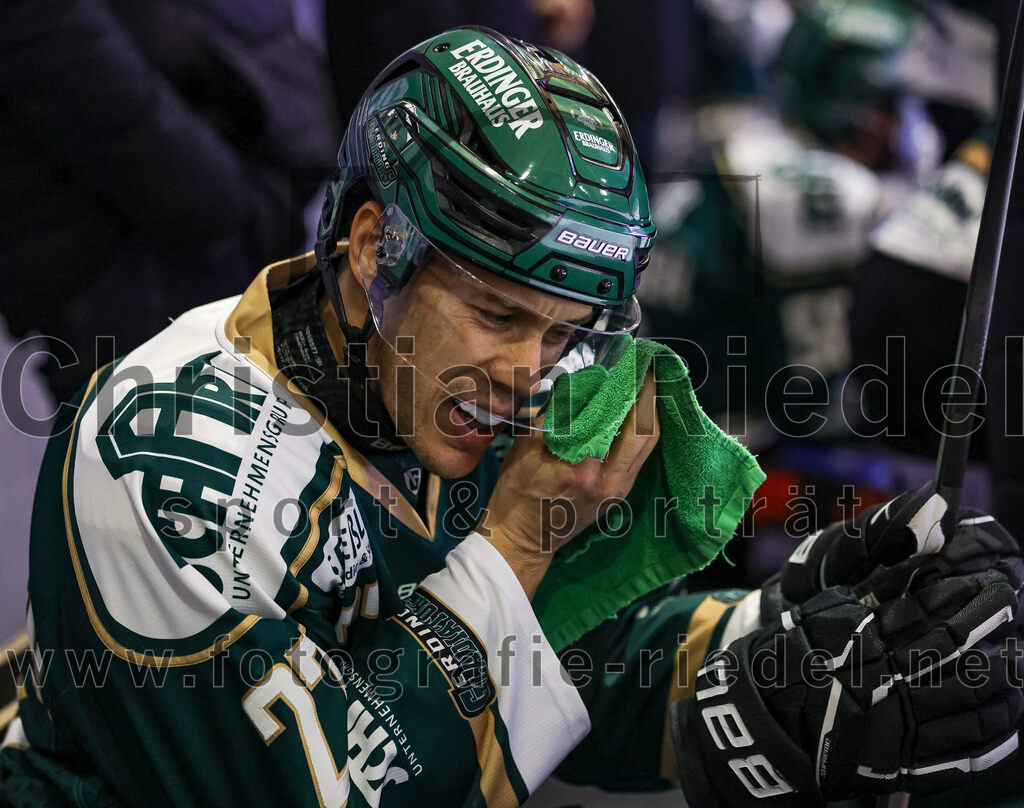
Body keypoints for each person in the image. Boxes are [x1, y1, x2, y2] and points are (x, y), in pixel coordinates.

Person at [0, 26, 1021, 808]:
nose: (527, 373)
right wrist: (514, 540)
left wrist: (796, 641)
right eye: (496, 314)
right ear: (374, 245)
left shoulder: (447, 397)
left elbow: (562, 661)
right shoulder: (173, 451)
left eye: (564, 329)